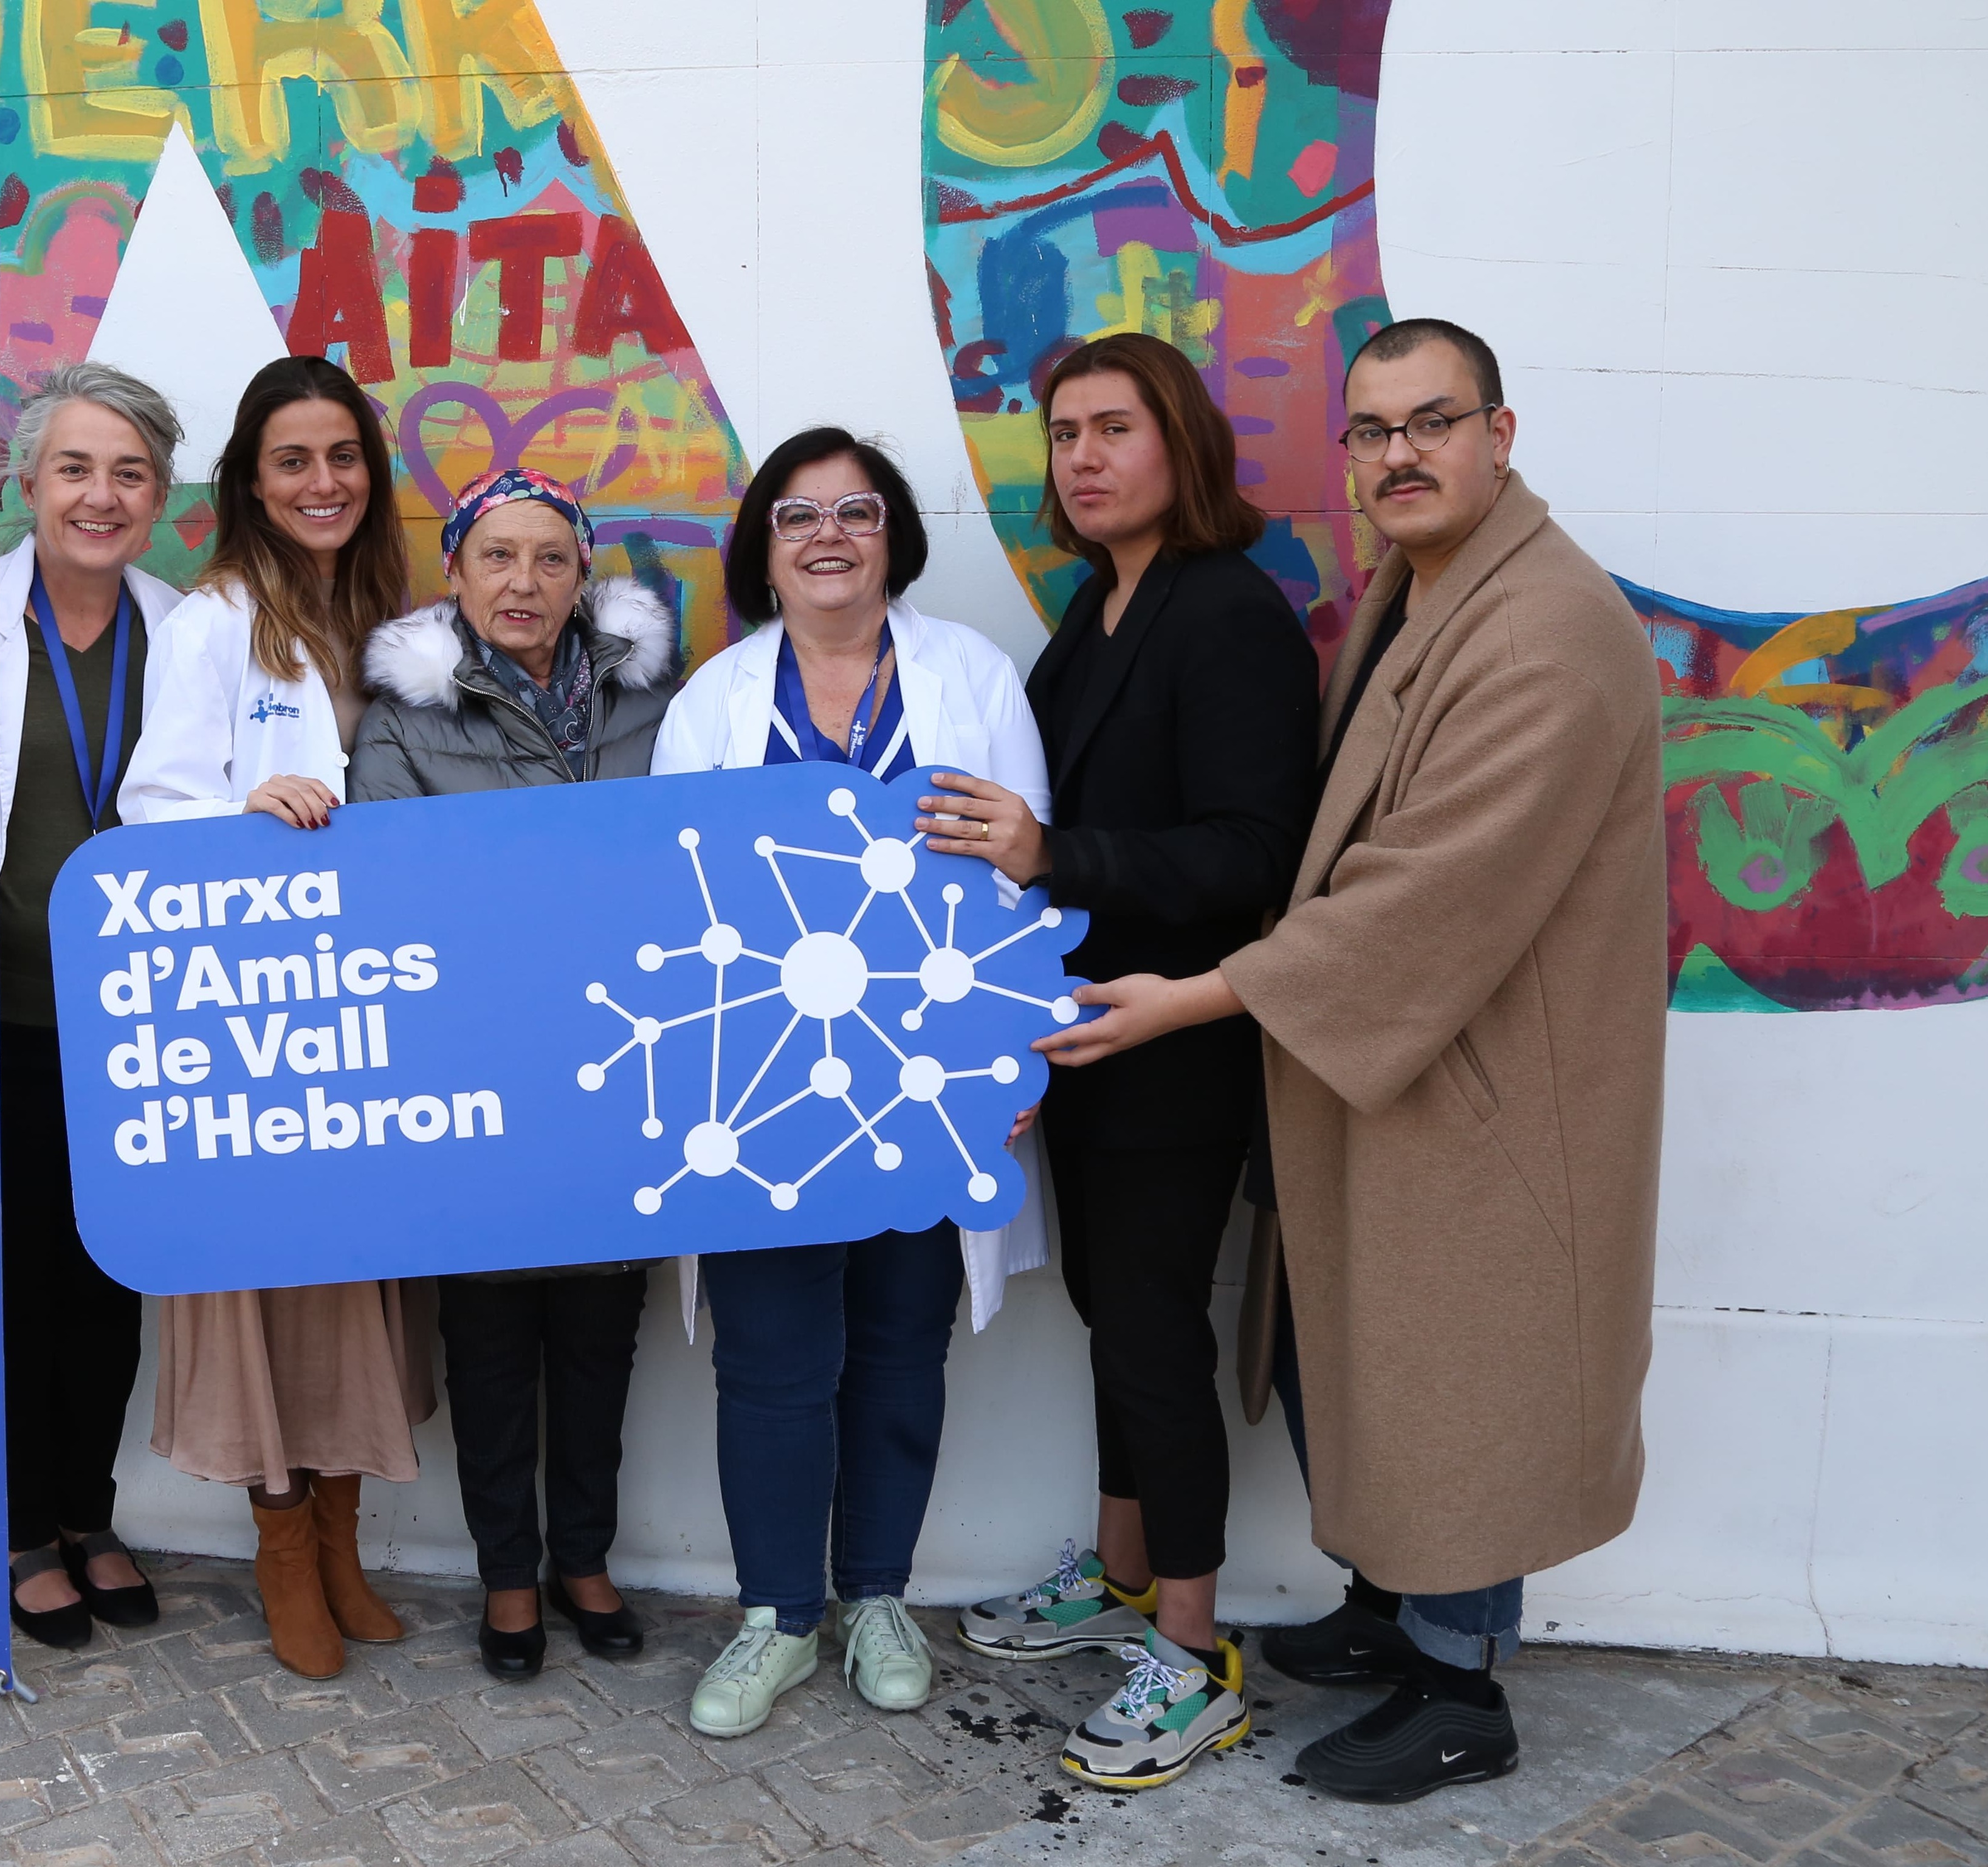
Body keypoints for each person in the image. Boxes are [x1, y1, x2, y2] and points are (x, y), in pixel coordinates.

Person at [1034, 318, 1665, 1802]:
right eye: (1373, 432)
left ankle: (1460, 1689)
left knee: (1470, 1364)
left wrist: (1195, 999)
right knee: (1376, 1349)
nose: (1400, 455)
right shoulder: (1423, 588)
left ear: (1500, 434)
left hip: (1488, 1076)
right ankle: (1396, 1617)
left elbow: (1422, 895)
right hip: (1392, 1055)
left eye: (1432, 422)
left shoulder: (1548, 630)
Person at [925, 331, 1317, 1790]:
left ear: (1182, 444)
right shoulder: (1101, 606)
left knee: (1153, 1334)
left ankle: (1197, 1658)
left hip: (1176, 1044)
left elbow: (1252, 851)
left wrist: (1053, 854)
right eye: (1065, 434)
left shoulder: (1229, 614)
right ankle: (1124, 1572)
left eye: (1115, 428)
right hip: (1084, 1039)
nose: (1083, 458)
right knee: (1113, 1316)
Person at [650, 428, 1051, 1739]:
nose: (829, 535)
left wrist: (1014, 1059)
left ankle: (876, 1595)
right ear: (763, 548)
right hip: (760, 1091)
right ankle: (778, 1615)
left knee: (896, 1343)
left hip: (930, 1083)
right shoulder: (715, 701)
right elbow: (668, 899)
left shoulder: (970, 677)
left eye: (858, 512)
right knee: (773, 1358)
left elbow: (1022, 877)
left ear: (894, 539)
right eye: (799, 514)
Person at [114, 355, 430, 1682]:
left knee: (350, 1285)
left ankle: (342, 1540)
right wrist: (237, 814)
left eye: (342, 456)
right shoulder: (213, 622)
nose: (322, 482)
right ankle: (283, 1550)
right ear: (250, 480)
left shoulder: (384, 618)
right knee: (263, 1287)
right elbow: (149, 807)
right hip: (259, 1023)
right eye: (292, 460)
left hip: (366, 1014)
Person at [349, 465, 679, 1681]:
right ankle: (506, 1575)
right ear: (455, 573)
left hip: (623, 1071)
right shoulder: (403, 719)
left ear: (584, 574)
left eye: (550, 557)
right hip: (478, 1077)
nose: (523, 581)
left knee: (600, 1340)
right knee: (489, 1346)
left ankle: (583, 1561)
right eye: (498, 556)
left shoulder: (657, 701)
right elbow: (386, 896)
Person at [0, 362, 186, 1650]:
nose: (100, 496)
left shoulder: (190, 632)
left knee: (110, 1282)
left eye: (128, 473)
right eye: (75, 468)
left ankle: (88, 1510)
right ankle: (17, 1525)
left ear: (161, 496)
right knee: (14, 1277)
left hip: (136, 1019)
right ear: (29, 481)